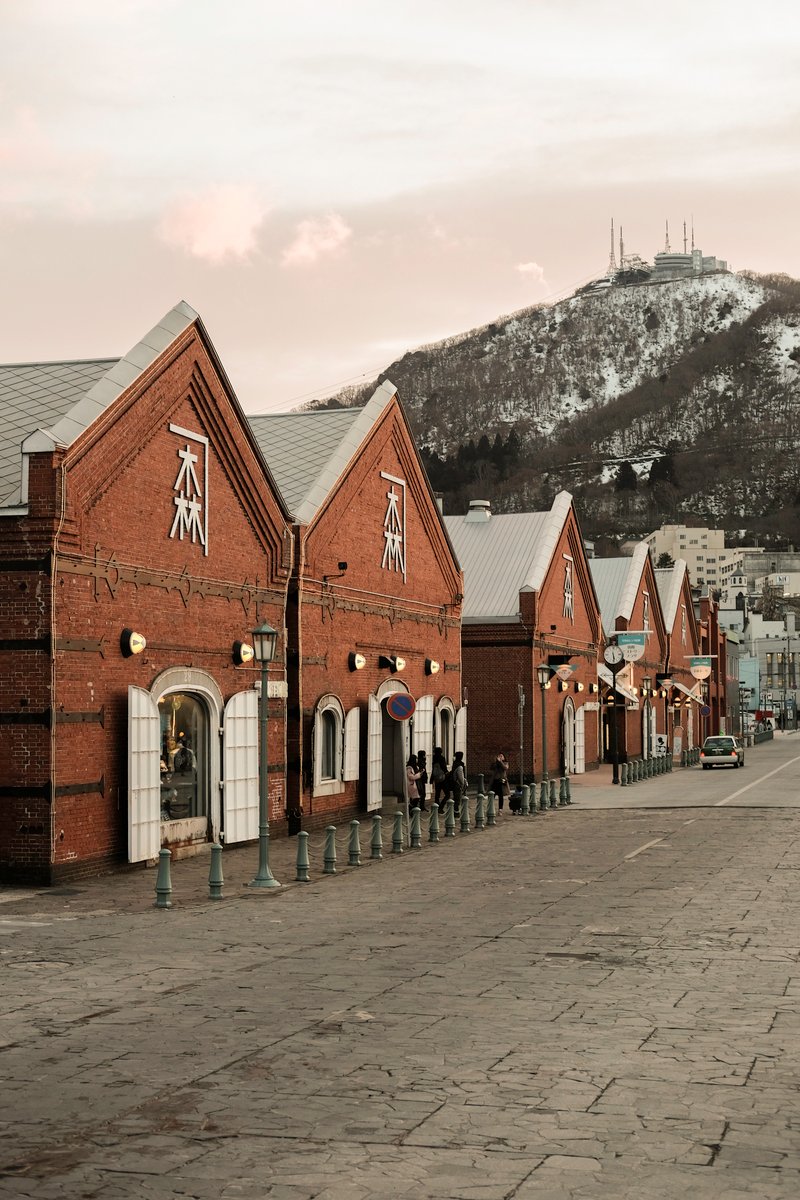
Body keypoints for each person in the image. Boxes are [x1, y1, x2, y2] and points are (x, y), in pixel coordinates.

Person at [451, 751, 467, 816]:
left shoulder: (454, 763)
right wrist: (463, 784)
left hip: (454, 782)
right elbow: (461, 777)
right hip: (458, 784)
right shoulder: (460, 766)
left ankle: (455, 811)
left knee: (456, 797)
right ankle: (456, 812)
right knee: (457, 798)